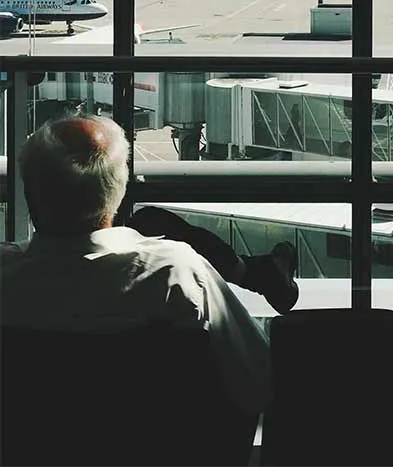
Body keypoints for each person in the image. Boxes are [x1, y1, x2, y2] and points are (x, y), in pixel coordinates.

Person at [0, 114, 292, 417]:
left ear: (30, 193)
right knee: (151, 221)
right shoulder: (176, 273)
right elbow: (258, 378)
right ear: (120, 188)